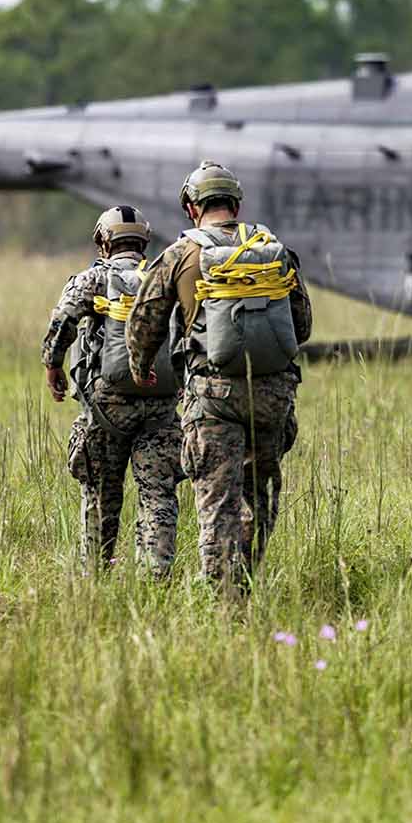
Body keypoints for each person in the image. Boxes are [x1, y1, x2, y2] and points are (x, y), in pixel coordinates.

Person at [127, 161, 312, 597]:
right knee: (257, 497)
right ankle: (244, 583)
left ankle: (223, 601)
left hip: (213, 397)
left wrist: (141, 366)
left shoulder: (180, 255)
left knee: (217, 502)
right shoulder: (272, 248)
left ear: (192, 208)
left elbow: (144, 321)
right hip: (272, 394)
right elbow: (301, 325)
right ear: (237, 204)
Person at [41, 205, 182, 577]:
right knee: (159, 495)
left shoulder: (91, 279)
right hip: (162, 405)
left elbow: (62, 323)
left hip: (107, 408)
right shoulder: (165, 277)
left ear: (104, 242)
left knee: (100, 494)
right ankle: (155, 576)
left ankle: (95, 575)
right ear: (143, 243)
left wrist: (53, 365)